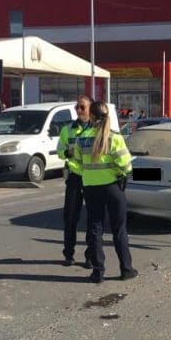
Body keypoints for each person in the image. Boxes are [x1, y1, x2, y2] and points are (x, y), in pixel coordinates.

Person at [77, 101, 136, 284]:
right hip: (112, 188)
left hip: (90, 188)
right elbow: (126, 166)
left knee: (95, 229)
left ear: (91, 116)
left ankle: (98, 272)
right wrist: (120, 174)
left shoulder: (82, 138)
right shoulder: (114, 138)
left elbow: (78, 163)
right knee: (119, 230)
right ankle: (126, 269)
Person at [57, 95, 93, 268]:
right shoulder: (67, 129)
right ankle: (68, 254)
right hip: (75, 177)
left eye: (82, 107)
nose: (79, 110)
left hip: (93, 178)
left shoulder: (97, 129)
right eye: (77, 107)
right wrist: (67, 153)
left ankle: (90, 256)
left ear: (90, 109)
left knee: (93, 220)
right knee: (70, 218)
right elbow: (59, 151)